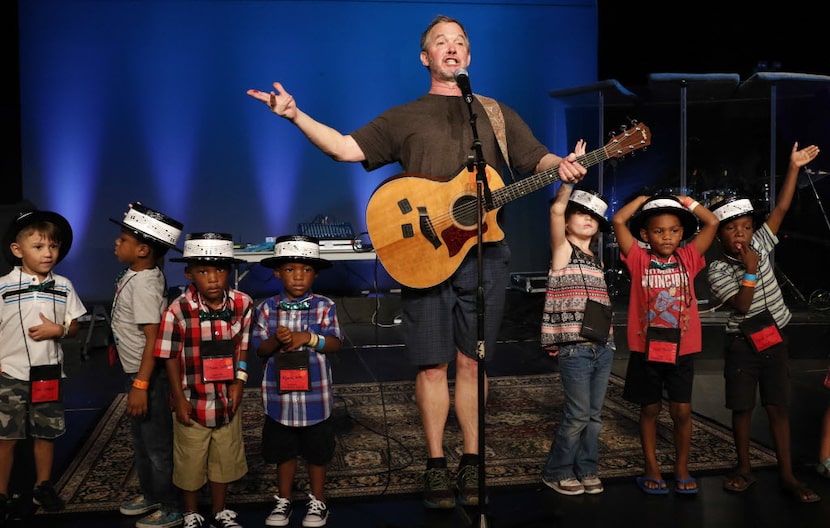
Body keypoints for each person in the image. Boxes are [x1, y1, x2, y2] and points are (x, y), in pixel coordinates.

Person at [246, 14, 587, 509]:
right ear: (426, 57)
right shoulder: (404, 117)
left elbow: (538, 160)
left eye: (460, 42)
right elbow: (345, 148)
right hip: (425, 257)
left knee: (475, 361)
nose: (452, 48)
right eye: (440, 43)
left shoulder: (495, 113)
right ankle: (434, 464)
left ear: (469, 56)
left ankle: (472, 462)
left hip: (485, 255)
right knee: (432, 365)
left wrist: (564, 166)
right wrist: (294, 115)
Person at [707, 141, 821, 503]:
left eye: (745, 227)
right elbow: (741, 305)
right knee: (742, 408)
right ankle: (743, 468)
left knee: (778, 406)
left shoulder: (761, 241)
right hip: (741, 344)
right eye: (731, 229)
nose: (740, 234)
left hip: (774, 339)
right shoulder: (719, 270)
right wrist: (752, 271)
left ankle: (787, 474)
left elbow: (783, 206)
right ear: (720, 235)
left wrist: (793, 168)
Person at [611, 191, 719, 495]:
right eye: (659, 231)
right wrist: (643, 200)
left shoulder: (688, 257)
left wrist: (687, 202)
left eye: (673, 231)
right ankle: (652, 466)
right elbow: (618, 219)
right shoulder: (637, 258)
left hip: (681, 349)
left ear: (682, 233)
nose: (667, 237)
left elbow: (712, 222)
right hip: (648, 349)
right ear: (646, 235)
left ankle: (682, 467)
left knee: (682, 411)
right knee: (650, 409)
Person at [154, 233, 253, 528]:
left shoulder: (243, 303)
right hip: (192, 396)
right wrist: (179, 398)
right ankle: (191, 512)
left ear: (230, 271)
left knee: (225, 455)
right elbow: (169, 356)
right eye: (203, 271)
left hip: (226, 397)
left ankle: (220, 509)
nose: (213, 278)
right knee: (190, 459)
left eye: (220, 270)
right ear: (189, 273)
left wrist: (239, 381)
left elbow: (243, 346)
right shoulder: (178, 310)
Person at [250, 235, 342, 528]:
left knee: (317, 452)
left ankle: (318, 501)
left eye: (305, 269)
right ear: (277, 273)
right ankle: (284, 500)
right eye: (290, 269)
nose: (298, 276)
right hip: (280, 400)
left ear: (315, 273)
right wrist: (275, 340)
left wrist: (309, 337)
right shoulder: (266, 309)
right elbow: (259, 349)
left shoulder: (324, 306)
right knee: (284, 452)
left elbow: (335, 343)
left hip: (316, 398)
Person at [0, 209, 87, 515]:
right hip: (10, 374)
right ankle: (2, 492)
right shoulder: (3, 286)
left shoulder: (63, 285)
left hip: (47, 374)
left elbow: (75, 324)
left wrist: (59, 329)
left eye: (53, 246)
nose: (48, 253)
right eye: (38, 247)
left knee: (45, 433)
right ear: (17, 249)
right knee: (6, 435)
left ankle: (43, 486)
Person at [109, 203, 184, 528]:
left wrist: (141, 384)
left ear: (142, 250)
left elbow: (153, 338)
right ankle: (151, 493)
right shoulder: (136, 274)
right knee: (141, 440)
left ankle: (170, 505)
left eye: (122, 239)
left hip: (147, 376)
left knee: (156, 445)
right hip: (137, 373)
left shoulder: (144, 284)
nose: (116, 243)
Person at [539, 177, 615, 496]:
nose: (588, 219)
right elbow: (556, 208)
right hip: (575, 348)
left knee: (594, 416)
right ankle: (556, 471)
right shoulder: (563, 250)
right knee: (577, 414)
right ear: (568, 220)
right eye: (581, 213)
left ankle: (586, 468)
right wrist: (569, 182)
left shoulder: (596, 260)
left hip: (602, 346)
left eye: (594, 216)